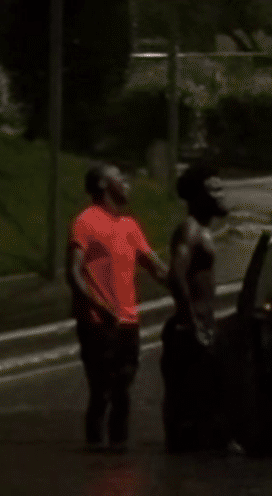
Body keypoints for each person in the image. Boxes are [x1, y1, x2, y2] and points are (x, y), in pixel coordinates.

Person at [67, 162, 171, 451]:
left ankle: (118, 452)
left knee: (123, 390)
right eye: (120, 179)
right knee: (102, 391)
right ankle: (95, 452)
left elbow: (156, 268)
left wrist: (183, 287)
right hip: (98, 323)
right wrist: (98, 306)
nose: (127, 184)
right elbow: (73, 273)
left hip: (128, 322)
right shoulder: (86, 221)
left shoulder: (129, 226)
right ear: (102, 185)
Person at [161, 162, 228, 453]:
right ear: (197, 196)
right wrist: (191, 323)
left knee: (203, 404)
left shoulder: (203, 231)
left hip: (201, 327)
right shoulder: (190, 230)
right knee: (186, 407)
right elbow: (176, 274)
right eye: (213, 189)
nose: (221, 194)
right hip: (191, 331)